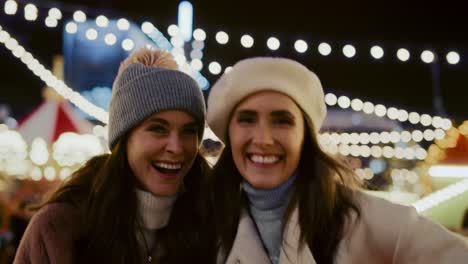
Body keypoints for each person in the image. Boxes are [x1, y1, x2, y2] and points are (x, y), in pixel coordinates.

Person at [206, 57, 468, 263]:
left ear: (305, 136)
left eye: (282, 121)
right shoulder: (202, 221)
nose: (263, 138)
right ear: (229, 134)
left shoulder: (364, 220)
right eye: (247, 120)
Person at [14, 47, 215, 263]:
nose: (176, 147)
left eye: (189, 131)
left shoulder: (216, 223)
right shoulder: (59, 228)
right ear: (124, 137)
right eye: (158, 128)